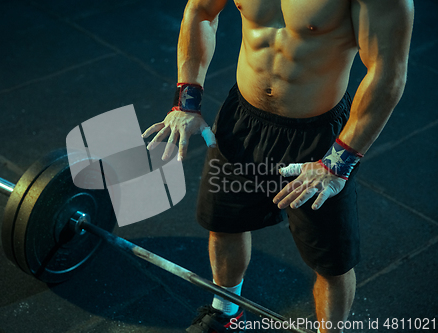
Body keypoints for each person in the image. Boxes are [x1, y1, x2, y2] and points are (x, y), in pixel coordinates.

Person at [142, 0, 414, 332]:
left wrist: (337, 162)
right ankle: (227, 311)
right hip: (243, 120)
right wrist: (187, 100)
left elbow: (388, 72)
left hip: (318, 142)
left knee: (331, 262)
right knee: (224, 224)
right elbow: (200, 11)